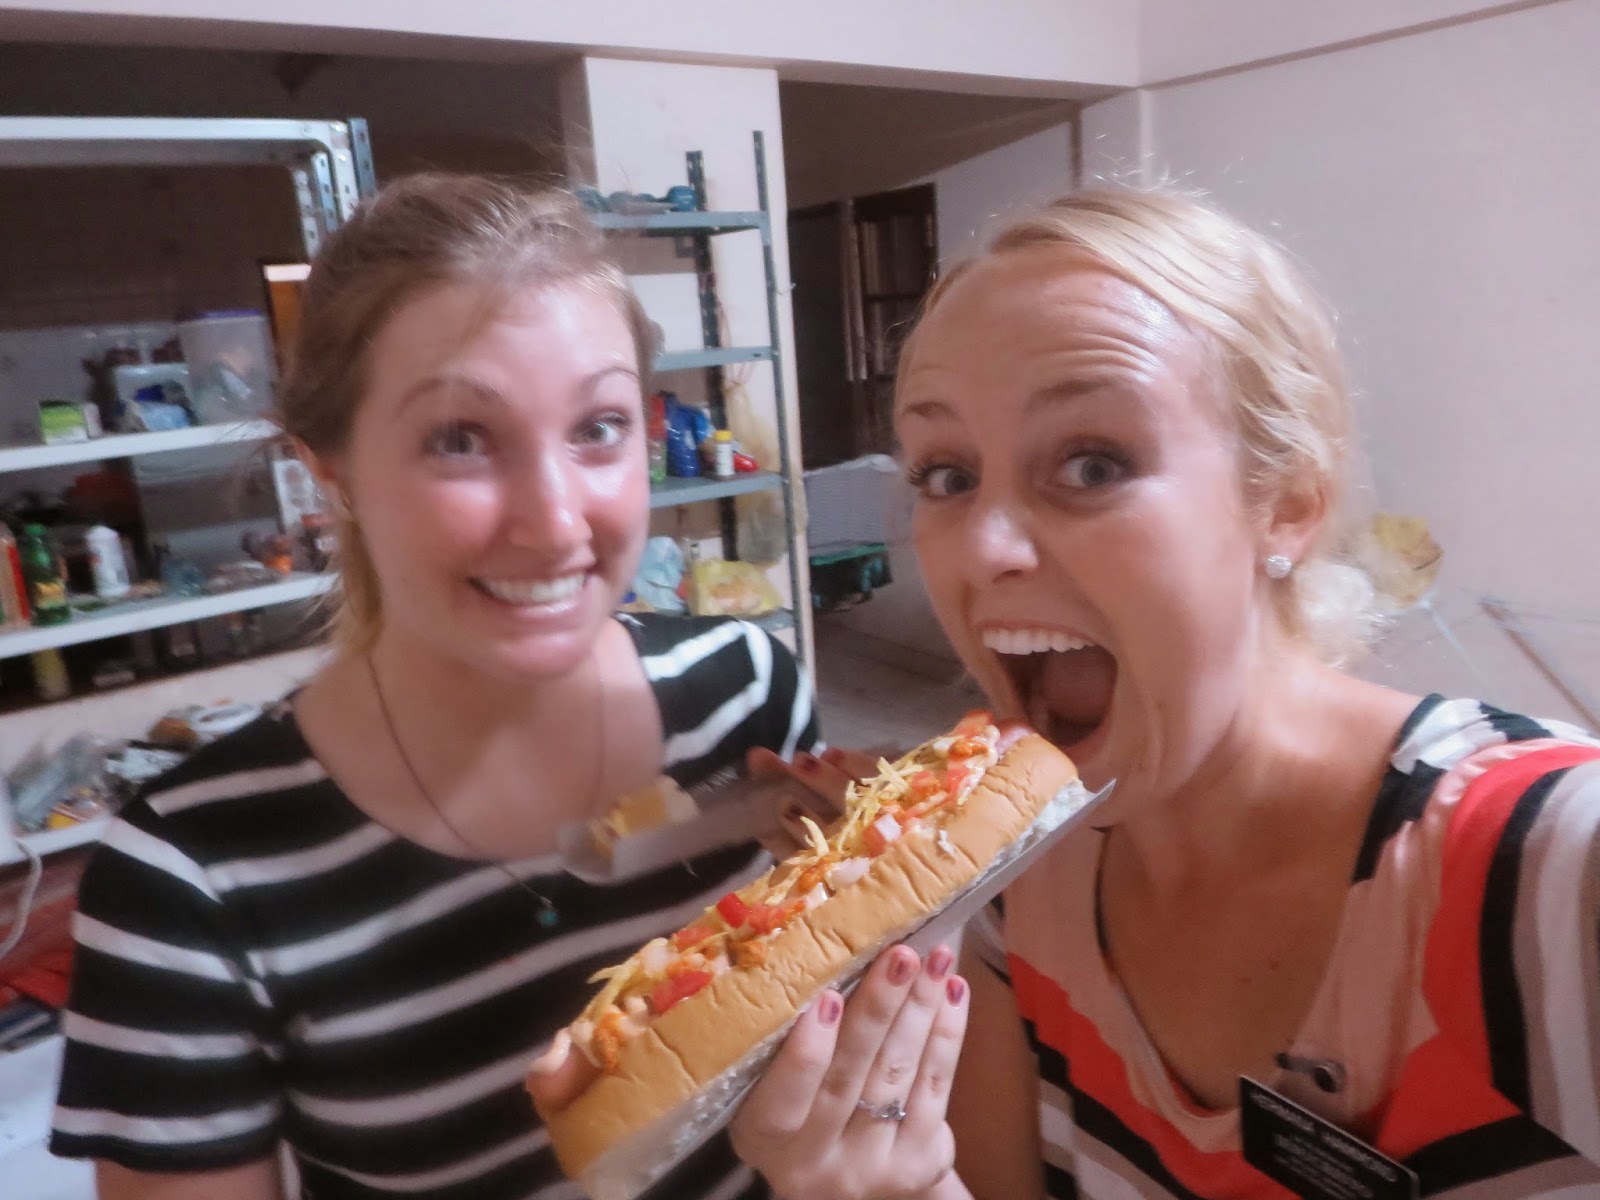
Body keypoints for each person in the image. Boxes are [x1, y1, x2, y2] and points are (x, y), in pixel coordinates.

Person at [730, 188, 1600, 1198]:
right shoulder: (1014, 892)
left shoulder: (1556, 877)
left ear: (1286, 505)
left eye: (1092, 463)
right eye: (947, 475)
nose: (982, 547)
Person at [50, 174, 819, 1200]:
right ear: (328, 472)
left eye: (598, 426)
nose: (556, 524)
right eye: (460, 438)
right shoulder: (187, 883)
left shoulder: (746, 696)